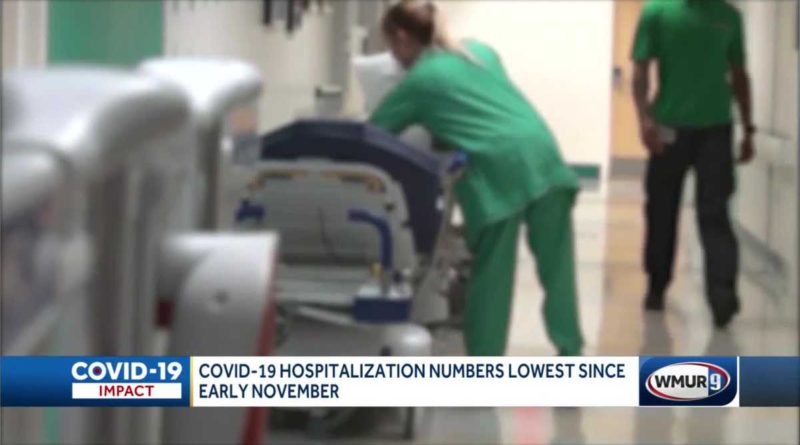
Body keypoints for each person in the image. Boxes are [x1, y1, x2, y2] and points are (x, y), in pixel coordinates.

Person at [369, 0, 583, 356]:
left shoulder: (419, 81)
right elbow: (484, 104)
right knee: (557, 267)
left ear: (403, 38)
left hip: (496, 171)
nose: (393, 57)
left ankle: (485, 365)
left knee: (493, 275)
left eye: (391, 46)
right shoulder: (479, 51)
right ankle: (571, 353)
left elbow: (373, 135)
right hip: (544, 156)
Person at [631, 0, 754, 328]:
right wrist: (644, 119)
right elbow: (641, 69)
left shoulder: (729, 17)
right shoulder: (657, 12)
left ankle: (722, 298)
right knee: (661, 211)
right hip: (669, 127)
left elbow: (739, 75)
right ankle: (657, 286)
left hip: (716, 130)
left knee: (714, 214)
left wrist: (748, 128)